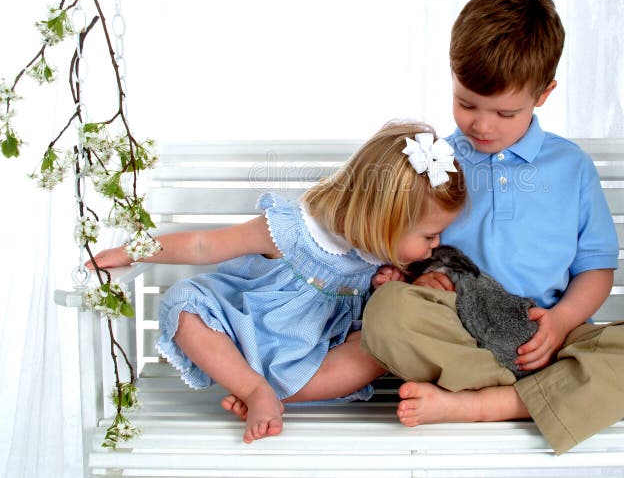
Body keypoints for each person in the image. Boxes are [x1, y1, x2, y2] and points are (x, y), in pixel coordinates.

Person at [360, 0, 624, 454]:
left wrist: (559, 323)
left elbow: (595, 267)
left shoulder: (570, 167)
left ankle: (484, 404)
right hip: (461, 334)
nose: (482, 125)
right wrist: (417, 278)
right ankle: (532, 398)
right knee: (388, 313)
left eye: (505, 112)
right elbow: (409, 244)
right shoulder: (435, 163)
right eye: (466, 103)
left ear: (544, 93)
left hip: (551, 338)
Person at [89, 121, 467, 444]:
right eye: (430, 236)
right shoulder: (293, 230)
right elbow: (204, 245)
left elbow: (401, 312)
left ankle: (261, 393)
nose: (436, 245)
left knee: (378, 346)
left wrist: (400, 286)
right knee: (183, 304)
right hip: (245, 333)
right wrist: (134, 251)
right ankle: (254, 388)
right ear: (385, 221)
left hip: (317, 362)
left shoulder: (385, 259)